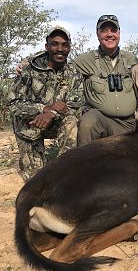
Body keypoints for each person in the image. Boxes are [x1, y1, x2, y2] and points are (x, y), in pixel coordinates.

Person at [8, 26, 83, 182]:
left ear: (69, 48)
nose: (60, 49)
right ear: (46, 46)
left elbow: (76, 104)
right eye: (54, 44)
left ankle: (65, 175)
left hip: (56, 123)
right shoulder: (28, 69)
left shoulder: (74, 73)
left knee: (72, 123)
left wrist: (52, 113)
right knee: (35, 182)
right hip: (29, 124)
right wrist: (43, 109)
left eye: (64, 44)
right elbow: (13, 102)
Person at [72, 15, 138, 146]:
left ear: (119, 33)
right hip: (100, 118)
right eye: (104, 31)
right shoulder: (85, 60)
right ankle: (85, 164)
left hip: (129, 122)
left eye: (113, 30)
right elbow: (60, 63)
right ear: (97, 34)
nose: (109, 35)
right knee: (87, 123)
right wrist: (26, 63)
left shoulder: (132, 59)